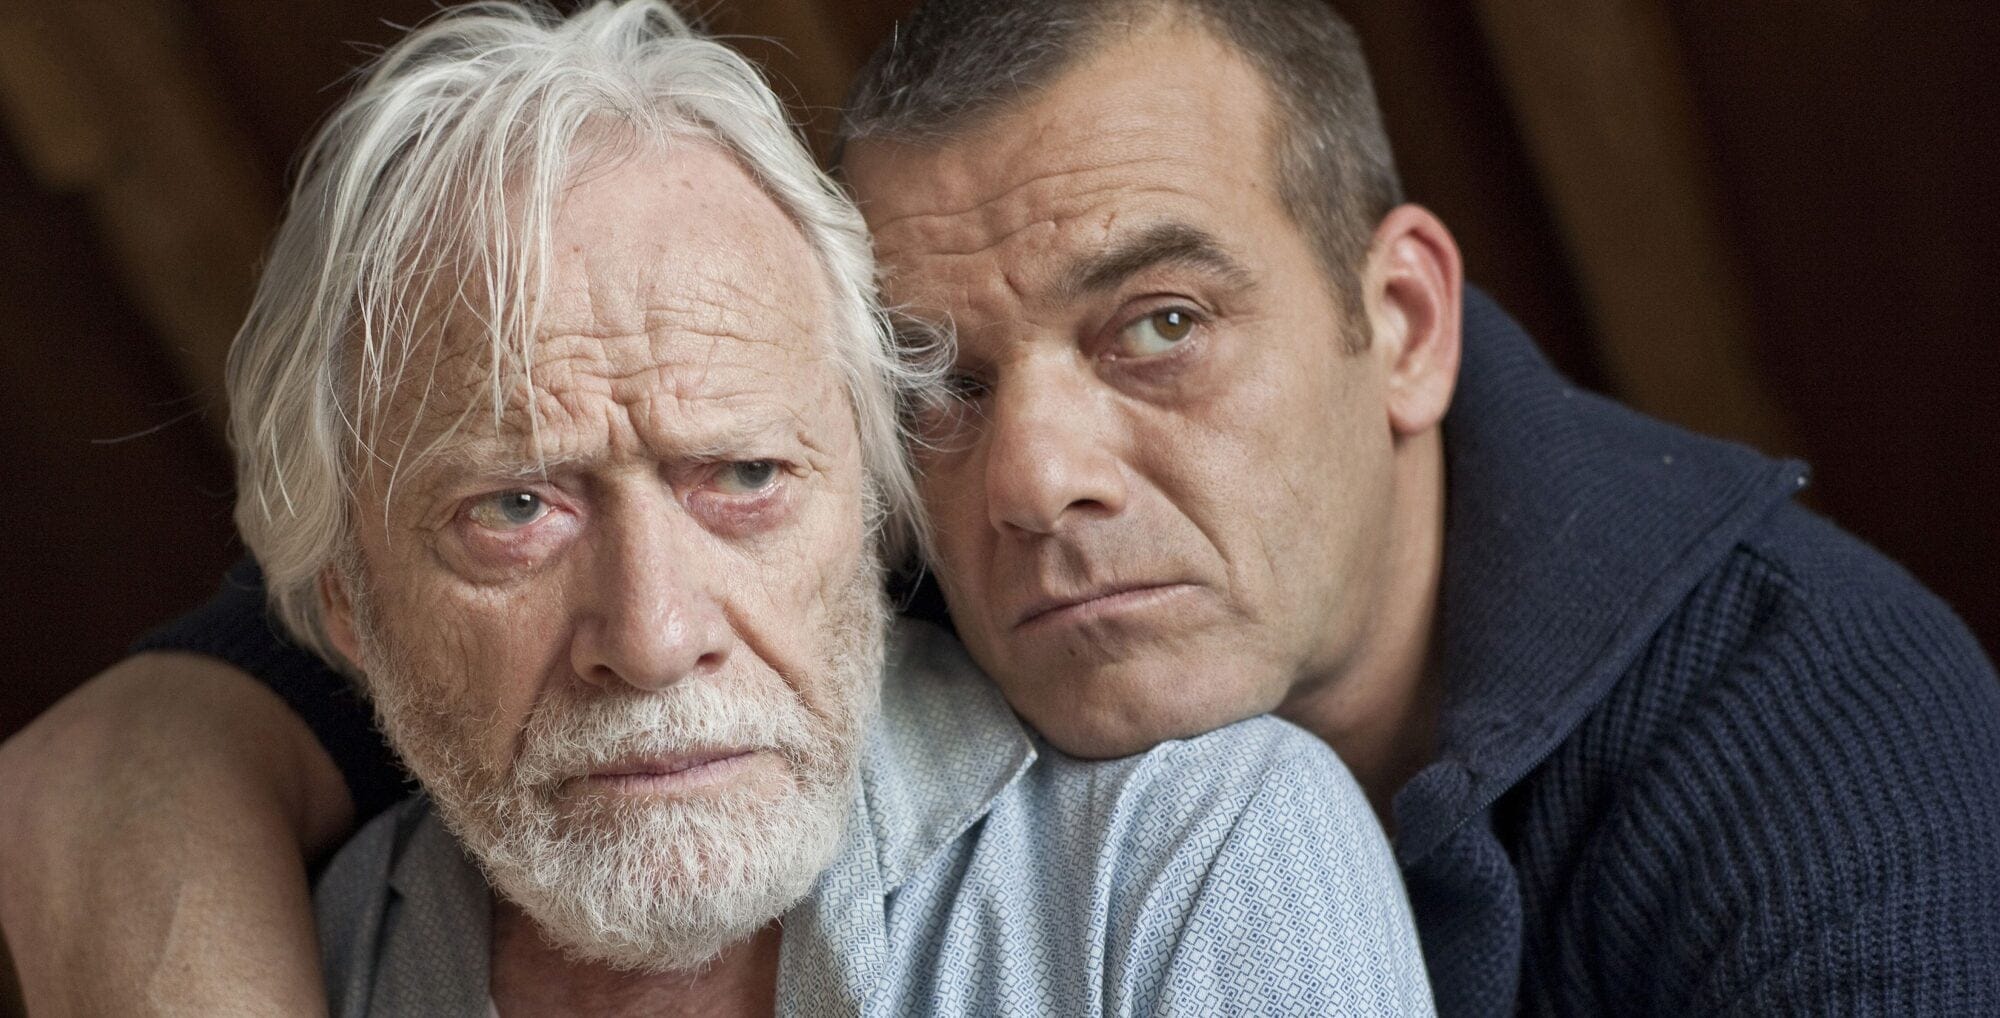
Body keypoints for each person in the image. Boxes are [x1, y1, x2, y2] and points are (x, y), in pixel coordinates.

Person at [5, 0, 1998, 1014]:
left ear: (1400, 325)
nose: (1031, 475)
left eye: (1158, 325)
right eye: (935, 374)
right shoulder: (806, 553)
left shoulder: (1820, 743)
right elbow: (138, 745)